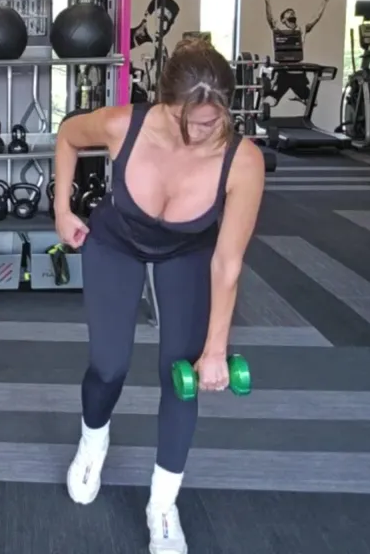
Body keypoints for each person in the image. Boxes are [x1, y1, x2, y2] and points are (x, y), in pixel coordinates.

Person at [52, 39, 265, 554]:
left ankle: (163, 504)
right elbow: (67, 136)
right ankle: (93, 440)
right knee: (109, 366)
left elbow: (227, 263)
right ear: (166, 104)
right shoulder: (122, 125)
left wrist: (216, 350)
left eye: (213, 121)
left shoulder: (242, 161)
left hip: (188, 254)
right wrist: (61, 209)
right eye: (191, 120)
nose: (202, 131)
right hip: (115, 243)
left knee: (180, 375)